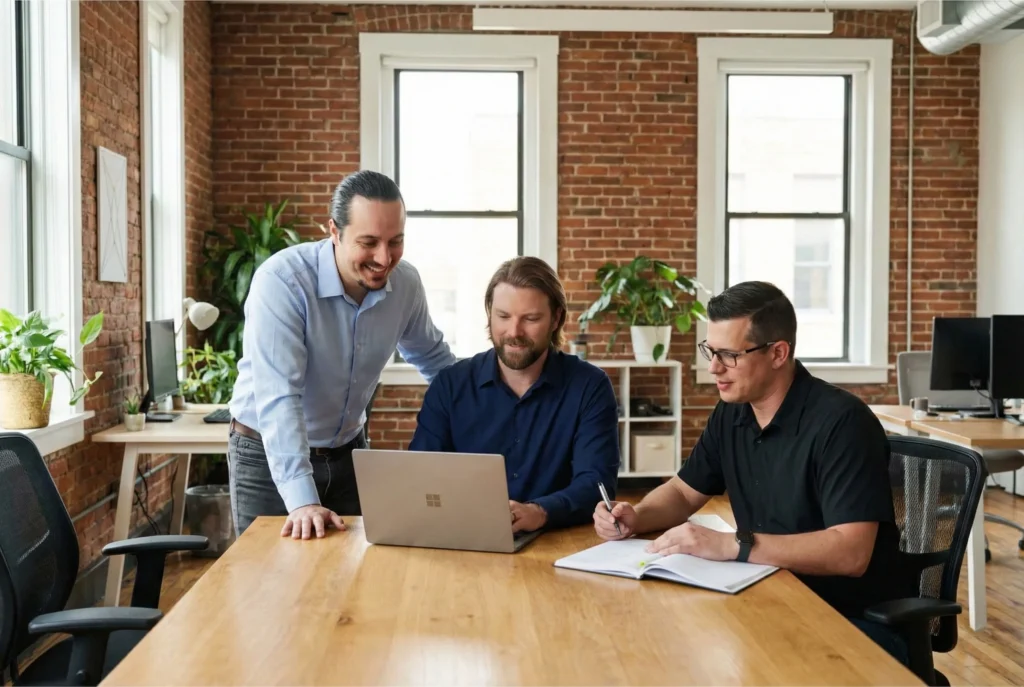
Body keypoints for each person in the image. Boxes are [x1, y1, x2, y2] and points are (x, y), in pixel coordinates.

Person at [592, 281, 914, 666]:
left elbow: (850, 552)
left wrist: (735, 545)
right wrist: (637, 516)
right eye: (711, 351)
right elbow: (682, 492)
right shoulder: (732, 412)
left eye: (729, 355)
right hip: (767, 596)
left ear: (778, 353)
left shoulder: (843, 424)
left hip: (849, 622)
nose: (714, 367)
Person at [228, 170, 456, 540]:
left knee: (352, 572)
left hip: (349, 455)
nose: (384, 258)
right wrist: (302, 500)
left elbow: (435, 360)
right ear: (334, 231)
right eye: (369, 242)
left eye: (395, 241)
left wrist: (494, 400)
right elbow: (280, 396)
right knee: (269, 573)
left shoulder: (406, 285)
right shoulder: (283, 281)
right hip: (268, 457)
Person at [408, 256, 621, 533]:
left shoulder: (590, 387)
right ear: (489, 314)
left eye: (530, 319)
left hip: (556, 537)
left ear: (556, 318)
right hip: (464, 533)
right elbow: (420, 474)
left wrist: (540, 511)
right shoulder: (450, 385)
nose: (514, 332)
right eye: (503, 316)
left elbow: (597, 484)